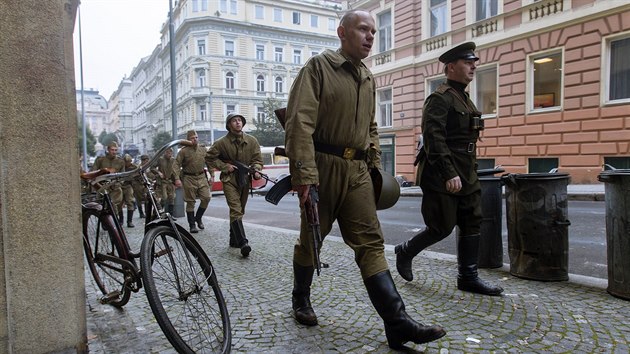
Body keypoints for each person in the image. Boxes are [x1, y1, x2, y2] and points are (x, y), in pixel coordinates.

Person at [283, 10, 445, 350]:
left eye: (374, 31)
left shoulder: (368, 78)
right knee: (312, 239)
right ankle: (301, 298)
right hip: (322, 167)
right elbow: (299, 124)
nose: (371, 36)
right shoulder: (319, 67)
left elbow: (371, 128)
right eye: (363, 29)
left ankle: (397, 323)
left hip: (356, 172)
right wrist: (305, 176)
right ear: (342, 32)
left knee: (371, 243)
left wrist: (372, 167)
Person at [394, 42, 504, 297]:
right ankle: (405, 250)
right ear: (451, 68)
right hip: (441, 173)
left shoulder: (463, 97)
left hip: (466, 170)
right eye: (468, 63)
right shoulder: (439, 98)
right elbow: (433, 138)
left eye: (474, 62)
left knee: (472, 221)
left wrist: (466, 171)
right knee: (441, 226)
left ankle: (468, 277)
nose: (473, 66)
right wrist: (448, 173)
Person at [205, 112, 263, 258]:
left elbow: (257, 159)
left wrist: (256, 170)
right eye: (234, 121)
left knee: (240, 210)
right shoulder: (221, 143)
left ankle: (233, 239)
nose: (238, 123)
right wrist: (225, 167)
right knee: (235, 209)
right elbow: (209, 158)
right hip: (229, 179)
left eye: (240, 120)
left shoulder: (252, 141)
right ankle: (243, 243)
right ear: (228, 125)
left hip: (244, 179)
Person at [173, 130, 211, 233]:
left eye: (196, 137)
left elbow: (209, 162)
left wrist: (211, 175)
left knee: (206, 198)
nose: (195, 139)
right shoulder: (183, 151)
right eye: (192, 138)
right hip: (189, 178)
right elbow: (176, 165)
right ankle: (192, 225)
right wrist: (176, 178)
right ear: (188, 140)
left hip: (201, 177)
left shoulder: (203, 149)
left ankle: (198, 217)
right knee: (190, 202)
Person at [92, 141, 125, 220]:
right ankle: (106, 221)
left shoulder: (120, 161)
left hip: (115, 187)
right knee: (104, 206)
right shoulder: (100, 160)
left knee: (113, 205)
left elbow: (123, 176)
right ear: (108, 150)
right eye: (112, 150)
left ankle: (115, 222)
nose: (114, 152)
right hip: (103, 187)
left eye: (115, 150)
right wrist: (98, 184)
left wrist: (118, 184)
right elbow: (94, 172)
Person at [157, 148, 177, 217]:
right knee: (164, 198)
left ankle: (171, 215)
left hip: (170, 181)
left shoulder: (173, 160)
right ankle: (158, 214)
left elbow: (176, 170)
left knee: (172, 198)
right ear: (165, 152)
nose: (169, 154)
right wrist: (158, 172)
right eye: (168, 152)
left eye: (170, 152)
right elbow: (152, 168)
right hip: (163, 181)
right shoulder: (160, 159)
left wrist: (176, 179)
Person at [121, 154, 137, 228]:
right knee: (119, 203)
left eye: (129, 161)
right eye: (126, 161)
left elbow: (139, 174)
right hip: (119, 186)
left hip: (128, 186)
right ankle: (120, 220)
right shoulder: (120, 166)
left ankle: (129, 221)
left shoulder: (134, 167)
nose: (127, 163)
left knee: (130, 202)